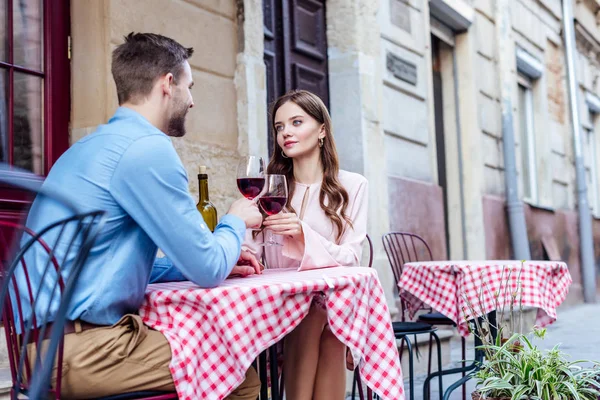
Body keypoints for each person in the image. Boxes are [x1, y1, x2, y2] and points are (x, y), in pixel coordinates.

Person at [18, 32, 263, 399]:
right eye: (189, 86)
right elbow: (208, 269)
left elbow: (111, 264)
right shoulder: (147, 149)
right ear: (168, 84)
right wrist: (235, 220)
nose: (192, 101)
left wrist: (204, 262)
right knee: (236, 370)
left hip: (39, 348)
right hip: (83, 353)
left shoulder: (86, 148)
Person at [245, 89, 368, 400]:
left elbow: (352, 258)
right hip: (274, 309)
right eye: (279, 126)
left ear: (322, 130)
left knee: (322, 315)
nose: (286, 132)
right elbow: (251, 255)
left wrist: (303, 234)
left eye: (296, 122)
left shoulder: (352, 186)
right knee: (314, 313)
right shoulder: (267, 192)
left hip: (330, 310)